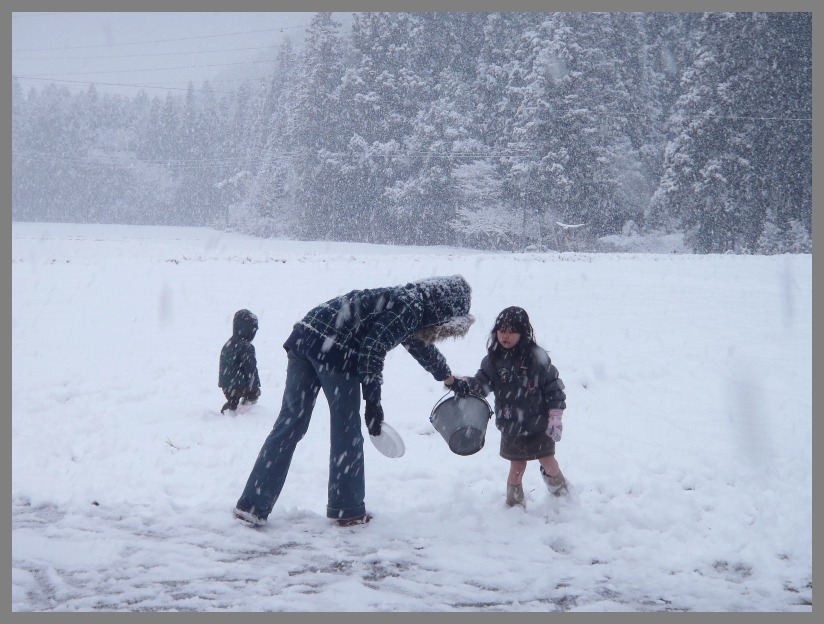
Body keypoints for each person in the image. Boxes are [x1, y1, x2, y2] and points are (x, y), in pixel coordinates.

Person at [233, 275, 474, 528]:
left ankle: (251, 506)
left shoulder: (406, 303)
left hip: (305, 337)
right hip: (335, 350)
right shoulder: (410, 309)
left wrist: (448, 378)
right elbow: (372, 349)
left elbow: (419, 346)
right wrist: (373, 403)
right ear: (444, 309)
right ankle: (347, 509)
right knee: (346, 431)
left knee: (290, 424)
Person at [450, 306, 568, 508]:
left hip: (540, 423)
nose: (505, 336)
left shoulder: (537, 359)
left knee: (548, 461)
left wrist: (555, 415)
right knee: (517, 466)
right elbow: (482, 385)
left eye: (512, 331)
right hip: (512, 423)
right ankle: (514, 504)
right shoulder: (493, 362)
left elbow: (553, 388)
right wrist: (462, 384)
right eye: (501, 330)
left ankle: (563, 496)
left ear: (523, 333)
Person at [219, 309, 261, 414]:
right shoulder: (246, 347)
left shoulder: (228, 344)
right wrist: (255, 385)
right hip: (239, 384)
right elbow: (250, 367)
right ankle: (248, 412)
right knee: (253, 395)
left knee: (233, 400)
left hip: (226, 385)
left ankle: (232, 406)